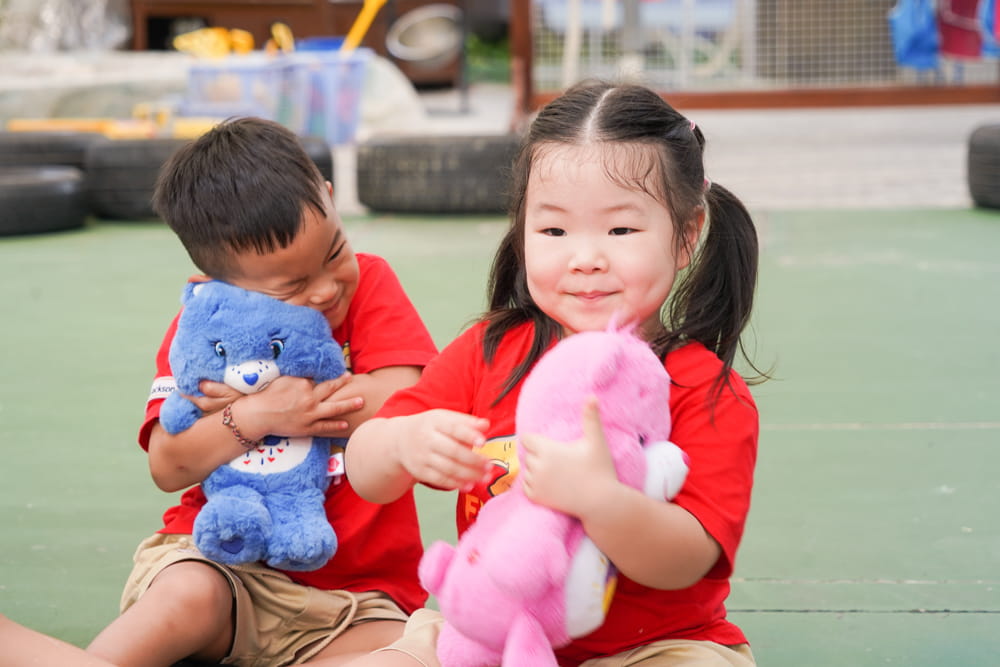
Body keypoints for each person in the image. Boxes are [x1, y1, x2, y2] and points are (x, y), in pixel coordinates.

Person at [344, 80, 763, 667]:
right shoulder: (488, 351)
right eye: (554, 230)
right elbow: (364, 469)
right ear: (522, 231)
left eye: (620, 230)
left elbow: (687, 557)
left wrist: (601, 500)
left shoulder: (703, 389)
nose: (584, 257)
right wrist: (400, 443)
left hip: (653, 648)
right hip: (489, 638)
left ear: (686, 235)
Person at [87, 118, 439, 667]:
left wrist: (294, 407)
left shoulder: (370, 282)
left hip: (356, 599)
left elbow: (405, 399)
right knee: (185, 597)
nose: (327, 289)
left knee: (414, 654)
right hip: (225, 569)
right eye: (292, 287)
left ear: (328, 195)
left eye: (334, 252)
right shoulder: (204, 327)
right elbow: (168, 464)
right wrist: (251, 417)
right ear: (217, 282)